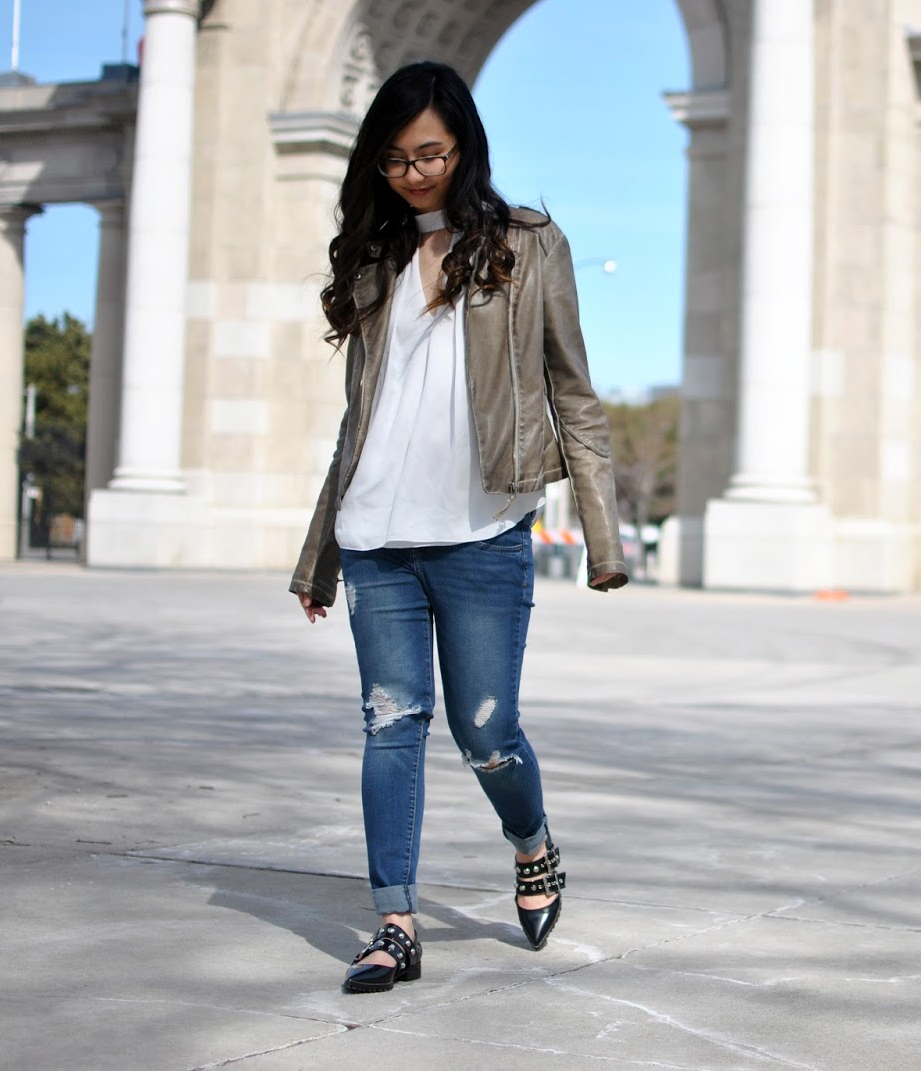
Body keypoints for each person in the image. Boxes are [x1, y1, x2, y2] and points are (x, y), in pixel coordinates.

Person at [289, 60, 627, 995]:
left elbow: (573, 393)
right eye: (395, 160)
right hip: (377, 538)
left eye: (431, 153)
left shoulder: (527, 245)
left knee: (488, 733)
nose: (415, 174)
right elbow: (361, 421)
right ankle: (393, 923)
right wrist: (319, 557)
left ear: (465, 145)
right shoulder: (374, 259)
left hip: (483, 531)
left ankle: (532, 841)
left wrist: (602, 536)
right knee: (389, 722)